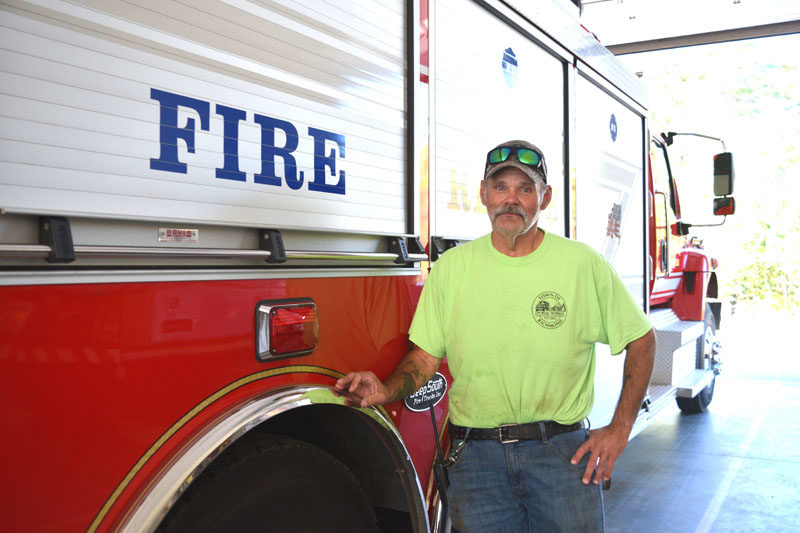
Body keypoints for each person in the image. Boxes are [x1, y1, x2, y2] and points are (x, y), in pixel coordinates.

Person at [334, 140, 656, 532]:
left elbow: (641, 339)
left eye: (525, 189)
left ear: (545, 197)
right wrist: (384, 391)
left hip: (561, 456)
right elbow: (423, 359)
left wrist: (620, 428)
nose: (511, 200)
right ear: (484, 194)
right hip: (476, 460)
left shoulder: (582, 265)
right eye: (500, 187)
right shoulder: (452, 269)